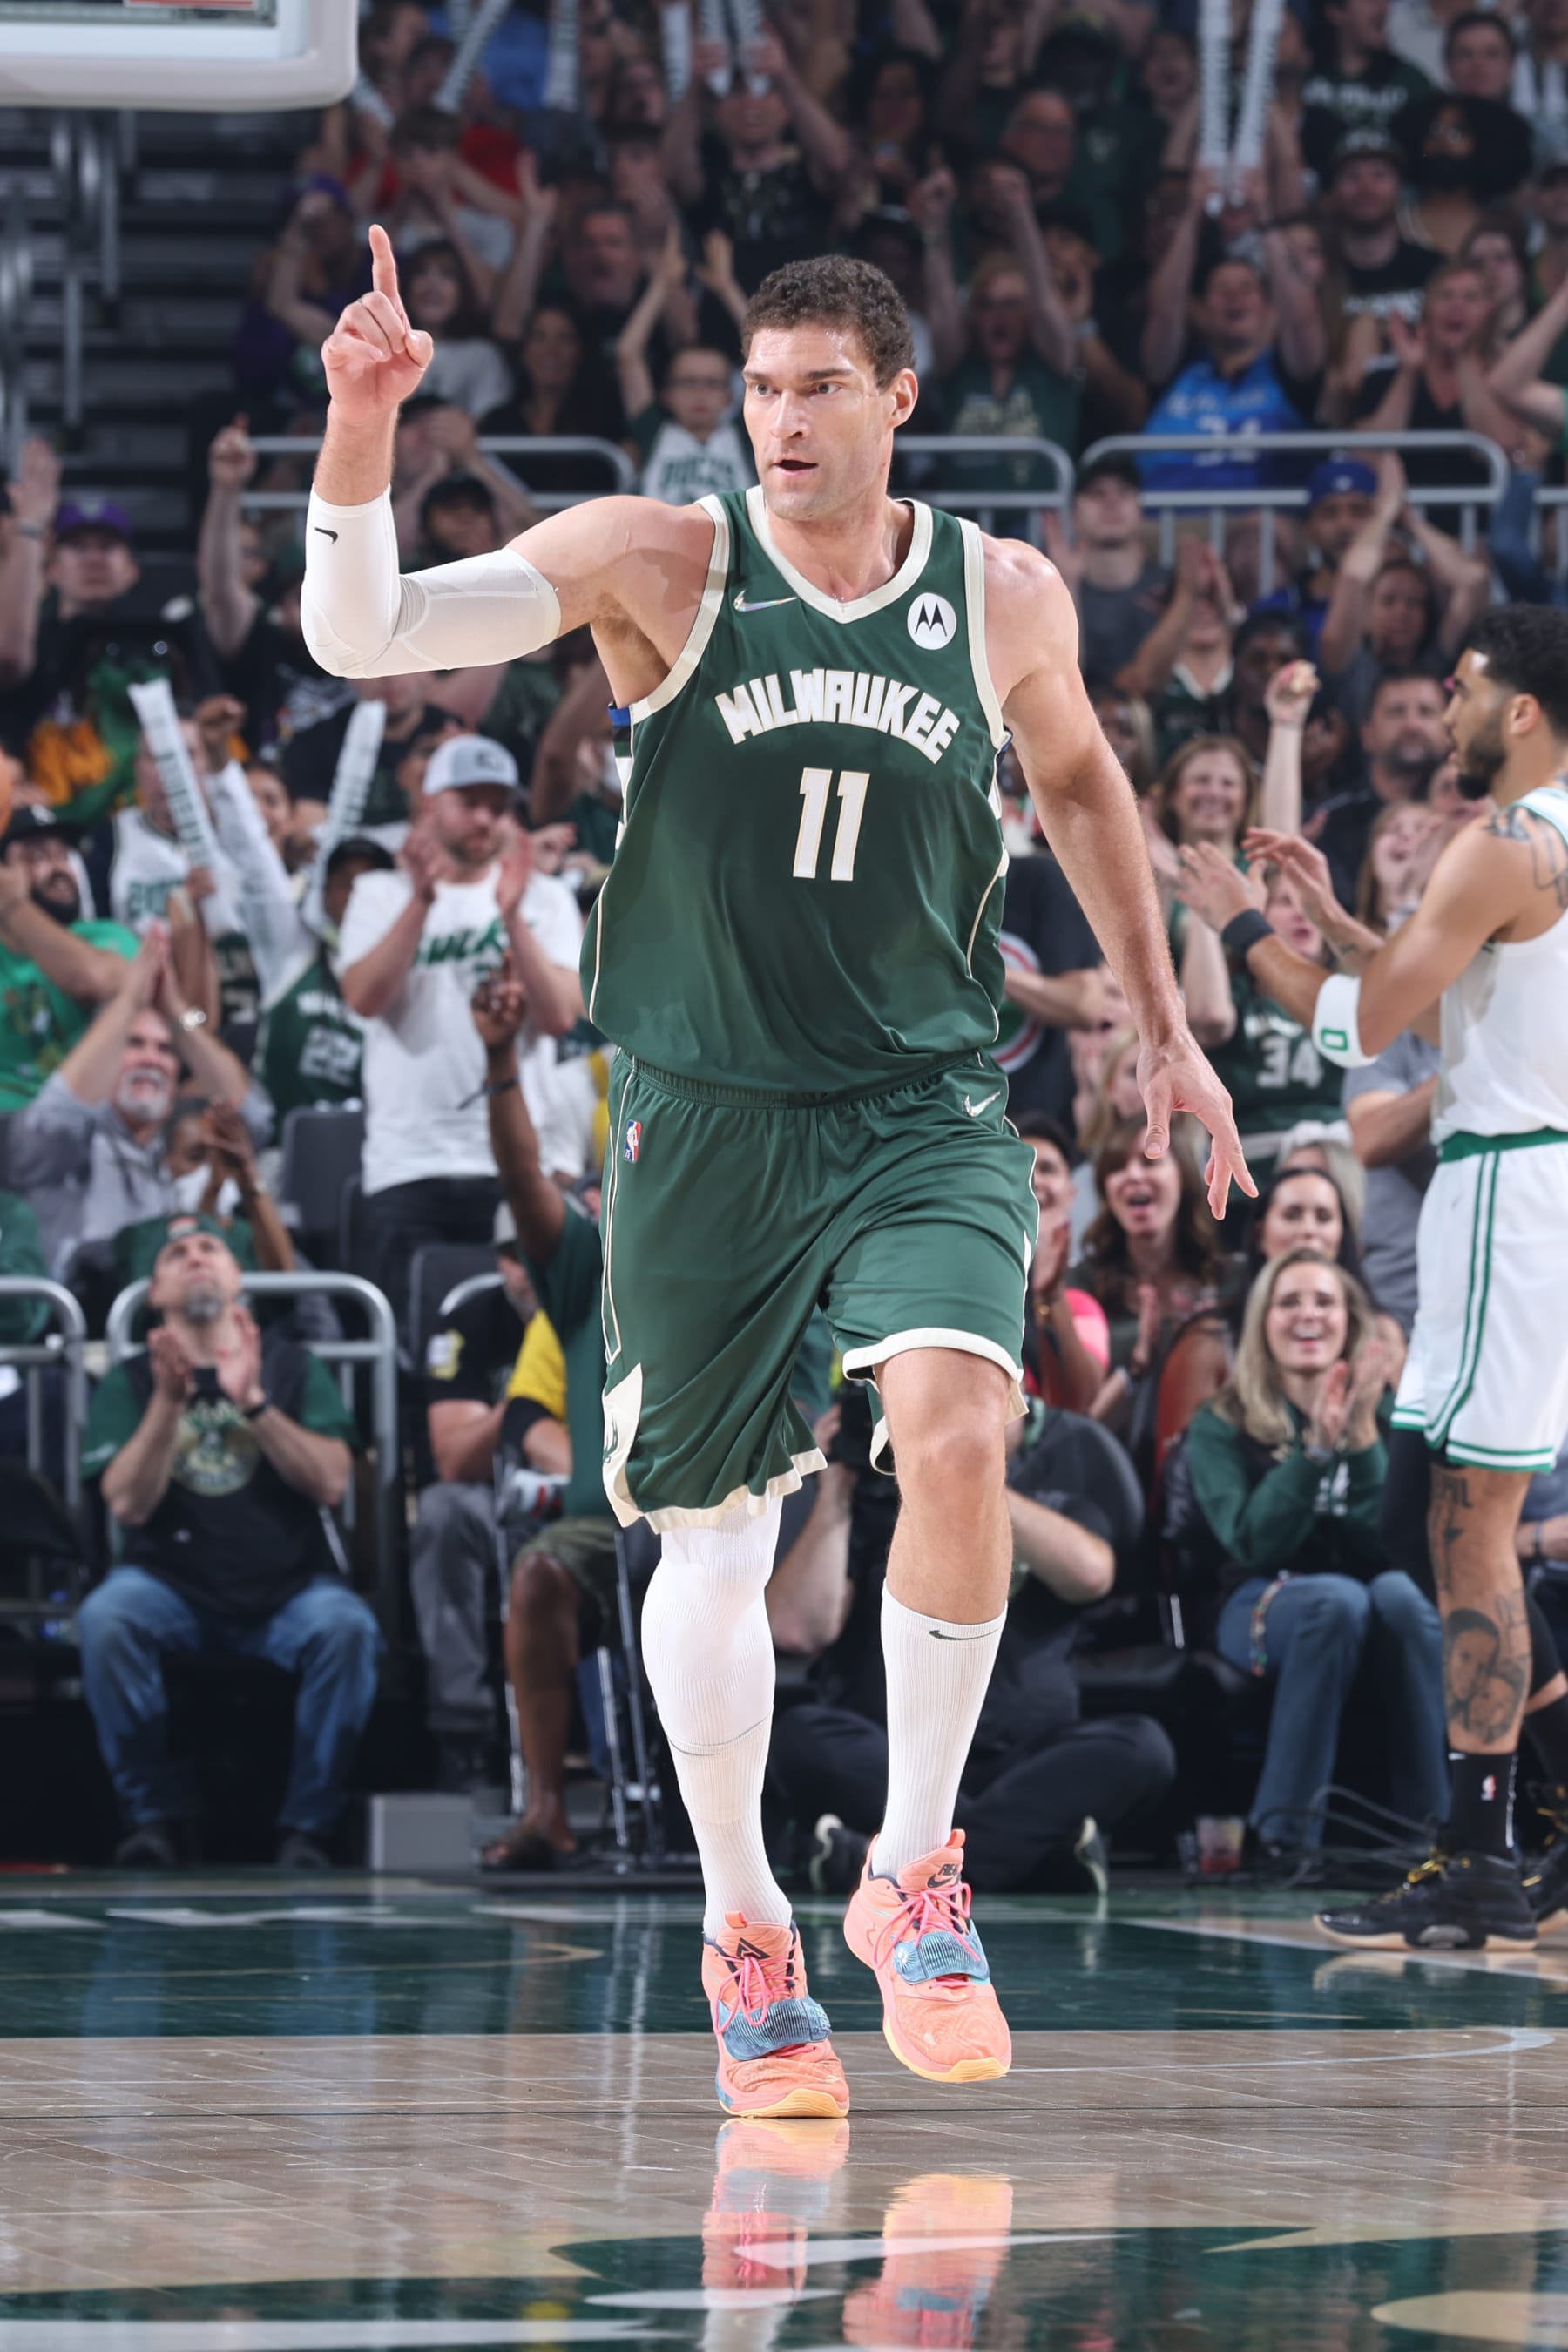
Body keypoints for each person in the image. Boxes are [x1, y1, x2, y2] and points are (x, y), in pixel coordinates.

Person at [301, 229, 1247, 2115]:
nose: (783, 419)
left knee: (961, 1435)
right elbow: (363, 635)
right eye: (759, 387)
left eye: (821, 387)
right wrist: (359, 430)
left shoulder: (1002, 595)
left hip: (920, 1100)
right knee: (716, 1541)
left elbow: (1079, 784)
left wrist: (1160, 1020)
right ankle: (746, 1922)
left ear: (900, 401)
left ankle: (914, 1874)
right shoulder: (660, 556)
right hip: (707, 1114)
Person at [1183, 605, 1568, 1949]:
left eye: (1462, 688)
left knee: (1466, 1527)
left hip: (1512, 1188)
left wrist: (1241, 924)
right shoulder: (1533, 845)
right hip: (1506, 1185)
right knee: (1426, 1519)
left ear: (1521, 709)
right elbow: (1452, 990)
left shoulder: (1507, 842)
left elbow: (1359, 1029)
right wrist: (1344, 921)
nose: (1446, 708)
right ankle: (1512, 1832)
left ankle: (1486, 1851)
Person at [769, 1380, 1174, 1895]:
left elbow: (1091, 1574)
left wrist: (968, 1474)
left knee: (1143, 1747)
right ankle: (1029, 1859)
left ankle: (885, 1863)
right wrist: (837, 1493)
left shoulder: (1060, 1464)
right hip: (892, 1753)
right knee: (798, 1737)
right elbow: (797, 1628)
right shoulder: (868, 1489)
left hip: (1026, 1758)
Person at [77, 1219, 377, 1869]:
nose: (196, 1258)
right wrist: (167, 1404)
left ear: (238, 1278)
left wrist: (255, 1402)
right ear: (154, 1292)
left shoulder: (293, 1366)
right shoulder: (129, 1381)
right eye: (177, 1254)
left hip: (286, 1589)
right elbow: (127, 1503)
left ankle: (308, 1829)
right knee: (107, 1618)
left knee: (347, 1628)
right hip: (171, 1589)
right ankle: (152, 1821)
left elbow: (331, 1483)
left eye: (209, 1248)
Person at [1184, 1248, 1444, 1854]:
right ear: (1263, 1321)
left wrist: (1363, 1439)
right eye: (1289, 1302)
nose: (1308, 1314)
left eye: (1324, 1301)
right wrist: (1316, 1452)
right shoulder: (1222, 1422)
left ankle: (1433, 1834)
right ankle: (1286, 1837)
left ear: (1350, 1321)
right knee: (1334, 1601)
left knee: (1403, 1596)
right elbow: (1252, 1542)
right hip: (1258, 1599)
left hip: (1374, 1594)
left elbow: (1400, 1548)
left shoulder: (1392, 1416)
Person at [335, 732, 583, 1326]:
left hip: (518, 1162)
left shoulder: (545, 899)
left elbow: (559, 1016)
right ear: (430, 804)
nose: (485, 818)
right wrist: (421, 901)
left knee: (525, 1338)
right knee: (414, 1351)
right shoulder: (379, 893)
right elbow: (364, 998)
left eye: (498, 805)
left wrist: (512, 916)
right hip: (407, 1161)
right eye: (469, 801)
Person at [8, 922, 269, 1287]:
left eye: (165, 1049)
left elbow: (254, 1114)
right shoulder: (74, 1139)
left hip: (165, 1311)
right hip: (81, 1312)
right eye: (134, 1043)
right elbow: (46, 1127)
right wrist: (127, 1001)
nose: (151, 1059)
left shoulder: (177, 1141)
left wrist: (177, 1011)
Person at [412, 1196, 544, 1794]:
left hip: (593, 1493)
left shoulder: (610, 1310)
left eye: (538, 1252)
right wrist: (525, 1394)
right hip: (498, 1498)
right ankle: (461, 1729)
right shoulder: (469, 1318)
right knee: (442, 1513)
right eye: (513, 1255)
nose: (526, 1269)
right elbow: (454, 1459)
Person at [0, 805, 136, 1112]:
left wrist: (13, 905)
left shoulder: (104, 936)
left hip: (91, 1119)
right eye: (39, 856)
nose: (60, 868)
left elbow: (91, 980)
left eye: (64, 856)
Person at [1310, 669, 1450, 909]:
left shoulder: (1464, 811)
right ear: (1366, 734)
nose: (1412, 725)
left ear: (1449, 729)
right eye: (1396, 712)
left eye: (1426, 712)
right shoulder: (1329, 818)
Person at [1044, 455, 1169, 686]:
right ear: (1073, 516)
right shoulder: (1050, 592)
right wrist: (1068, 584)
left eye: (1124, 492)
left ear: (1140, 510)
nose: (1111, 502)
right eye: (1096, 494)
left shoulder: (1169, 587)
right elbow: (1061, 684)